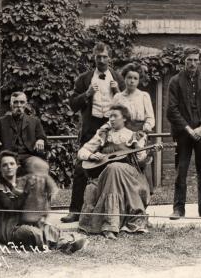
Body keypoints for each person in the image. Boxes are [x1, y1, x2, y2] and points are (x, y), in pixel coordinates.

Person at [62, 42, 125, 223]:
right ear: (93, 58)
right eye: (98, 57)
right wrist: (87, 94)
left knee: (114, 166)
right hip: (91, 129)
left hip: (112, 130)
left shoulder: (118, 78)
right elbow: (73, 105)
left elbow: (127, 107)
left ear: (109, 58)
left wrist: (117, 92)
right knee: (80, 168)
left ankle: (115, 211)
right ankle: (75, 211)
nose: (102, 60)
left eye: (105, 57)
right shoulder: (84, 79)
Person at [0, 150, 86, 253]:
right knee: (29, 232)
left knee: (48, 228)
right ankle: (60, 245)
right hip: (8, 229)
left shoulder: (24, 181)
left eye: (12, 164)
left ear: (17, 166)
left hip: (27, 223)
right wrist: (27, 193)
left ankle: (68, 241)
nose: (9, 167)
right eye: (4, 165)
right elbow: (10, 207)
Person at [77, 105, 151, 239]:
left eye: (115, 116)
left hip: (129, 175)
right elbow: (82, 151)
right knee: (112, 169)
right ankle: (110, 226)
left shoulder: (134, 135)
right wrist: (91, 156)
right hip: (107, 174)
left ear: (124, 118)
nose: (111, 119)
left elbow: (141, 160)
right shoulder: (103, 135)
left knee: (114, 167)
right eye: (109, 116)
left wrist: (144, 151)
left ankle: (110, 225)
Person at [167, 46, 201, 220]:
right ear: (184, 61)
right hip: (183, 133)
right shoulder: (175, 81)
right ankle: (178, 209)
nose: (193, 63)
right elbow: (172, 110)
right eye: (189, 60)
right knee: (181, 170)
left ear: (199, 61)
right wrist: (188, 129)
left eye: (196, 60)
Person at [113, 63, 156, 191]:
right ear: (124, 78)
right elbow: (113, 117)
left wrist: (145, 129)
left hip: (139, 132)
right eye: (129, 77)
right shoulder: (118, 97)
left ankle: (143, 191)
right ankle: (123, 190)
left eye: (135, 78)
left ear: (139, 80)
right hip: (122, 133)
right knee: (120, 158)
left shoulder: (144, 96)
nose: (132, 81)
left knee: (140, 158)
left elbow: (150, 118)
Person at [0, 91, 48, 165]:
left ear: (26, 104)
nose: (19, 105)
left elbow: (42, 137)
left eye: (22, 102)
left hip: (29, 156)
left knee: (38, 165)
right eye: (15, 102)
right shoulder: (0, 122)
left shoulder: (35, 121)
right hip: (8, 156)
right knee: (7, 165)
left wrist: (40, 140)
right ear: (10, 104)